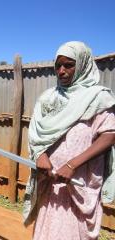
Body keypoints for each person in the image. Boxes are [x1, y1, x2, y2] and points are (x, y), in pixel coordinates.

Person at [23, 41, 115, 240]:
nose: (61, 71)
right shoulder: (48, 99)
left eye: (68, 65)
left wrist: (72, 164)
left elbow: (109, 135)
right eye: (58, 66)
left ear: (82, 64)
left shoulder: (97, 98)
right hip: (51, 184)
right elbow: (35, 134)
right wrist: (40, 155)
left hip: (79, 184)